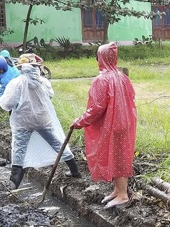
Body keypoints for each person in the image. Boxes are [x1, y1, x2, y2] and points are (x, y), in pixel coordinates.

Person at [70, 42, 137, 209]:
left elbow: (96, 108)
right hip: (125, 122)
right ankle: (117, 190)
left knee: (117, 157)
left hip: (112, 125)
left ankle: (122, 195)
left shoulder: (102, 80)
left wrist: (79, 121)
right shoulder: (122, 77)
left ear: (101, 58)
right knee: (119, 155)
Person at [0, 63, 81, 189]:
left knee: (19, 148)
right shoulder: (43, 81)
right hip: (42, 119)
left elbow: (7, 104)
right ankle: (74, 170)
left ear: (22, 69)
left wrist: (0, 98)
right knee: (56, 143)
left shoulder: (16, 83)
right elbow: (50, 95)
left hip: (23, 121)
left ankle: (14, 183)